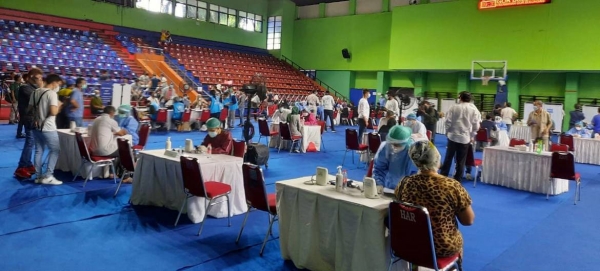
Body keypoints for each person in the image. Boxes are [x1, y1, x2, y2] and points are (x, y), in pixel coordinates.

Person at [395, 140, 474, 269]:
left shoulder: (405, 183)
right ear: (436, 158)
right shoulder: (451, 186)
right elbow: (468, 220)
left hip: (408, 244)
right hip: (441, 247)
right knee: (459, 238)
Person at [31, 74, 64, 185]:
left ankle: (38, 176)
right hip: (48, 127)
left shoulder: (35, 92)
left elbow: (30, 109)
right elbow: (53, 112)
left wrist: (38, 117)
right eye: (58, 84)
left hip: (36, 126)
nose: (58, 87)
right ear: (54, 82)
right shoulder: (52, 94)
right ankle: (49, 176)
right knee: (55, 150)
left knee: (38, 151)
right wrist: (59, 106)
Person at [440, 91, 481, 181]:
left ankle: (443, 177)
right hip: (465, 138)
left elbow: (447, 122)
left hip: (452, 136)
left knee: (448, 157)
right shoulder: (474, 109)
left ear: (460, 98)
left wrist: (448, 132)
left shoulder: (454, 107)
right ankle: (457, 180)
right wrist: (472, 135)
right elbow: (476, 126)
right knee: (461, 161)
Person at [14, 69, 44, 179]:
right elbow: (38, 98)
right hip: (28, 118)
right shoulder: (25, 88)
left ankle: (27, 163)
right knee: (30, 142)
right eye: (38, 78)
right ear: (32, 77)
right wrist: (41, 87)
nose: (40, 80)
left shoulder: (34, 88)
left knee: (32, 142)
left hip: (34, 118)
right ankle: (21, 167)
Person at [373, 125, 414, 193]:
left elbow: (413, 176)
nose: (393, 147)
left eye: (397, 145)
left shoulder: (412, 152)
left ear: (405, 143)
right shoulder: (386, 148)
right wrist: (379, 184)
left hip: (406, 191)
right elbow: (379, 168)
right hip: (388, 188)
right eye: (392, 143)